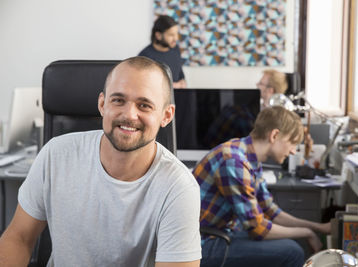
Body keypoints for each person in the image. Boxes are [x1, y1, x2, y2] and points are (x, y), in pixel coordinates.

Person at [0, 56, 201, 267]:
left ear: (166, 116)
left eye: (144, 105)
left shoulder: (178, 187)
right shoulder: (56, 154)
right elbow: (19, 238)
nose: (130, 114)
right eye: (118, 100)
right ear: (102, 104)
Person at [192, 106, 331, 267]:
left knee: (287, 245)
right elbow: (257, 228)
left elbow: (271, 211)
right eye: (292, 143)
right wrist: (306, 233)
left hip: (221, 231)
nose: (293, 152)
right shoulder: (234, 161)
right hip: (201, 244)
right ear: (274, 135)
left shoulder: (249, 158)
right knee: (292, 251)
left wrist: (317, 228)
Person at [139, 15, 187, 89]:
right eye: (171, 35)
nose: (176, 38)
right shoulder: (145, 56)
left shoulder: (175, 49)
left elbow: (180, 73)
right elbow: (144, 85)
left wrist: (183, 82)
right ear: (158, 36)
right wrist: (172, 86)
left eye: (176, 34)